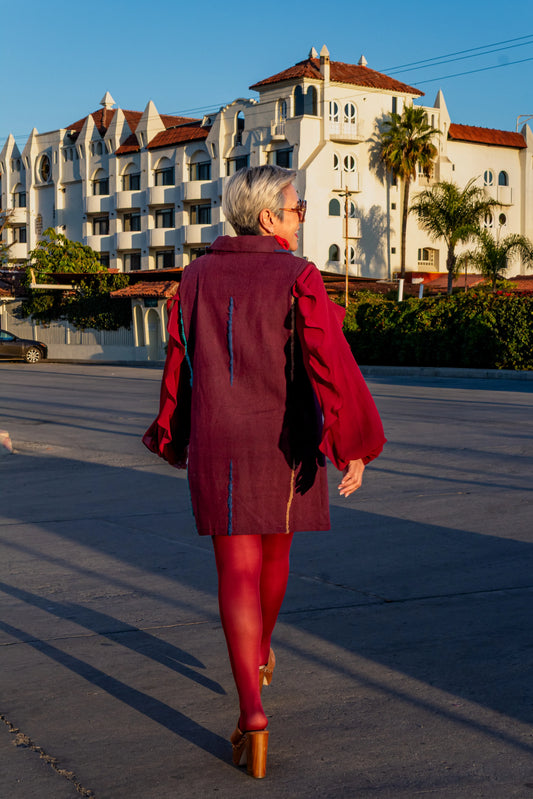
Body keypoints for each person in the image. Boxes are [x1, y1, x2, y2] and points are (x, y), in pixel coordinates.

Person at [143, 165, 386, 779]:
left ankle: (252, 714)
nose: (303, 214)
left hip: (221, 443)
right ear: (269, 216)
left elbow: (180, 365)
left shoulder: (195, 276)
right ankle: (261, 653)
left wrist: (174, 433)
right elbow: (329, 359)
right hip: (286, 443)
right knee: (274, 559)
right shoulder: (299, 275)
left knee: (236, 570)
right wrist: (351, 441)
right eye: (297, 206)